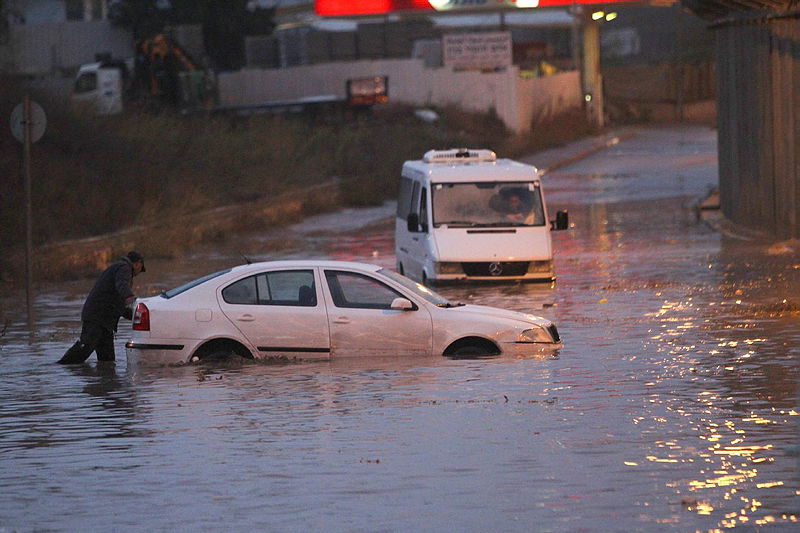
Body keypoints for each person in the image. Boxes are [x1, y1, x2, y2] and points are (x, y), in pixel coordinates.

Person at [57, 251, 146, 364]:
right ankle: (62, 366)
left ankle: (102, 377)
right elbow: (122, 284)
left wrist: (138, 315)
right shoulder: (124, 268)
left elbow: (119, 306)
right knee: (85, 348)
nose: (138, 274)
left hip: (105, 322)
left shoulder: (117, 269)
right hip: (97, 317)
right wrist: (130, 296)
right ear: (138, 263)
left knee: (107, 360)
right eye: (141, 269)